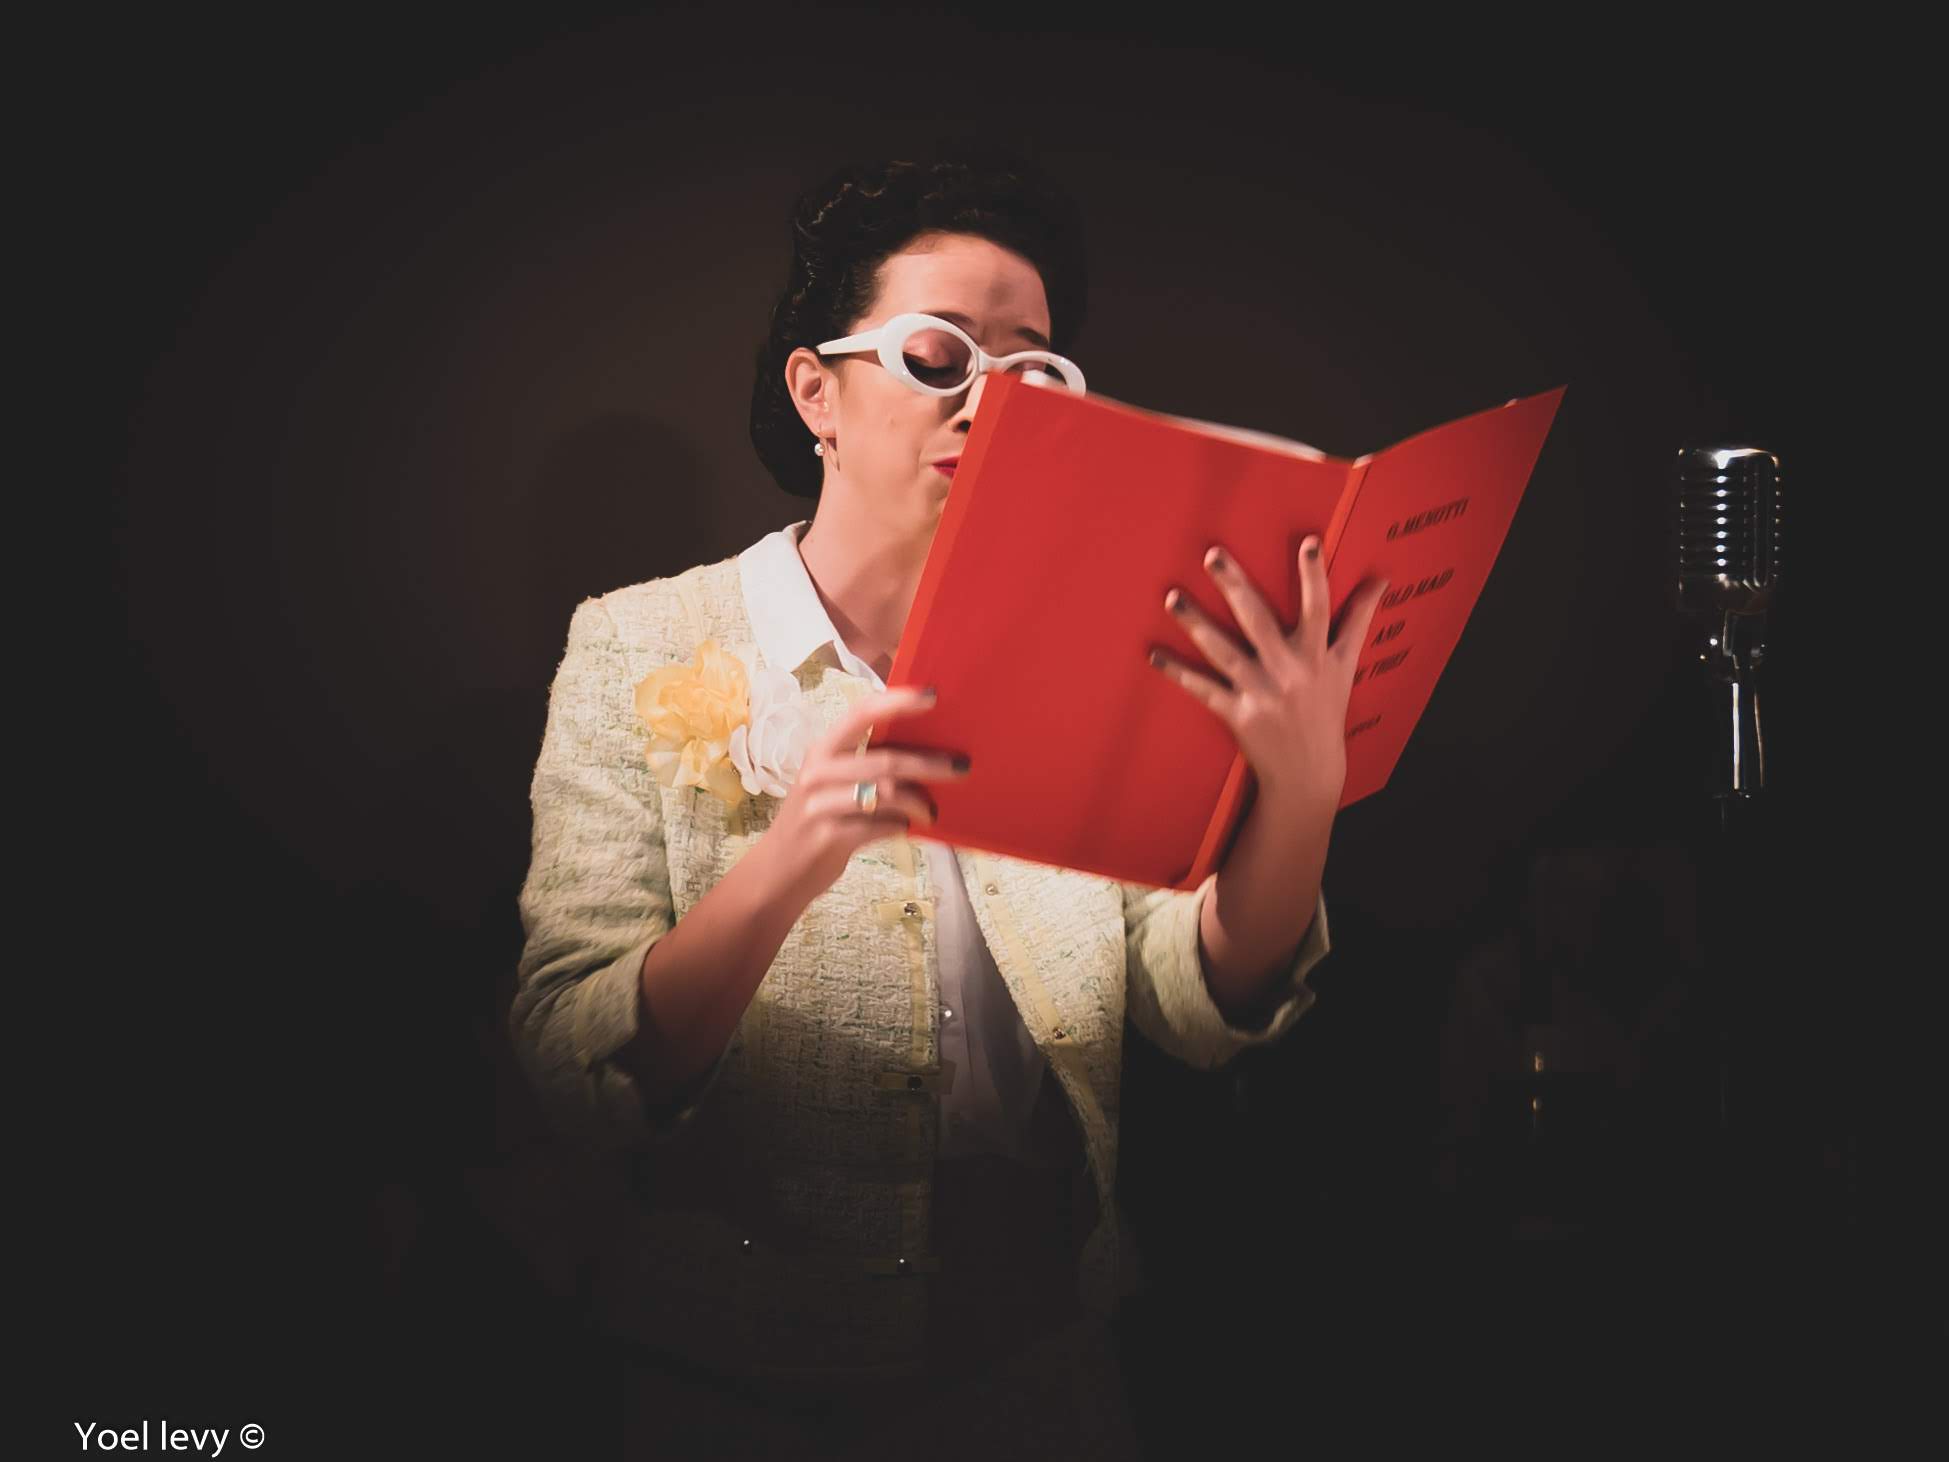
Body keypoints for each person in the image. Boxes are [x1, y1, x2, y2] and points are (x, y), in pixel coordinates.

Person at [507, 137, 1387, 1460]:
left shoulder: (1095, 655)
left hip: (1040, 1374)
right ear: (817, 391)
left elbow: (1191, 996)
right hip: (733, 1393)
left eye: (1034, 372)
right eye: (939, 357)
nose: (993, 405)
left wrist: (1300, 797)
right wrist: (784, 866)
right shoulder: (639, 645)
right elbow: (571, 1064)